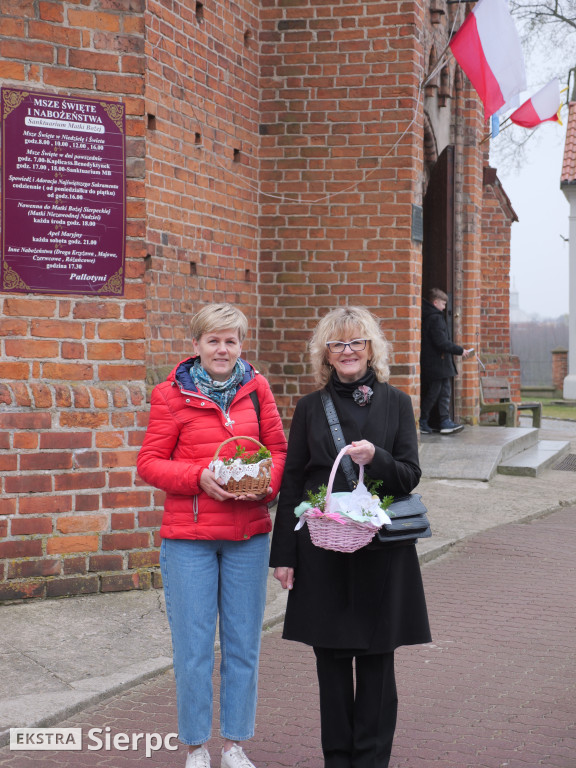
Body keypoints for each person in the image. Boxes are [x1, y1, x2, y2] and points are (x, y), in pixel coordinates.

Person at [270, 306, 431, 768]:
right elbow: (293, 482)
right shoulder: (309, 407)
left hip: (382, 553)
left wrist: (376, 456)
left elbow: (410, 474)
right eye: (337, 343)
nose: (347, 351)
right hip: (324, 549)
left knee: (378, 662)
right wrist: (284, 556)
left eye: (356, 341)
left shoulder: (396, 402)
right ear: (326, 353)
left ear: (370, 348)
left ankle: (372, 761)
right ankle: (337, 760)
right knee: (332, 663)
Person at [137, 303, 287, 768]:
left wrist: (266, 483)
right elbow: (149, 463)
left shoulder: (257, 389)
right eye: (213, 340)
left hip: (247, 536)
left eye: (231, 341)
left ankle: (235, 745)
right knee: (194, 649)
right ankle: (196, 747)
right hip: (189, 541)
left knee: (243, 645)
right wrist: (197, 476)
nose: (223, 349)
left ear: (241, 345)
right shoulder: (169, 396)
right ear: (197, 345)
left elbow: (279, 450)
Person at [419, 288, 474, 434]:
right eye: (443, 304)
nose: (444, 307)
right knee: (436, 394)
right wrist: (460, 350)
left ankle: (442, 421)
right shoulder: (435, 318)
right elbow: (441, 342)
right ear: (435, 302)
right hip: (438, 363)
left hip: (438, 364)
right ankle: (425, 421)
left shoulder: (430, 316)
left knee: (442, 392)